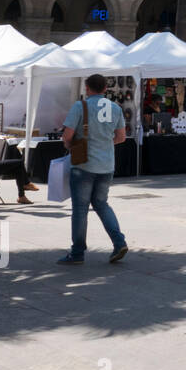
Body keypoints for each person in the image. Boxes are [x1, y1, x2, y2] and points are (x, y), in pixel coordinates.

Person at [58, 74, 128, 265]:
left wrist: (72, 146)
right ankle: (119, 241)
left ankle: (77, 253)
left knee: (80, 209)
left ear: (87, 88)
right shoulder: (115, 108)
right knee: (102, 204)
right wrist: (105, 144)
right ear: (105, 88)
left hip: (83, 164)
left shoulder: (80, 106)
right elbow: (121, 137)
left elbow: (67, 135)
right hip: (106, 165)